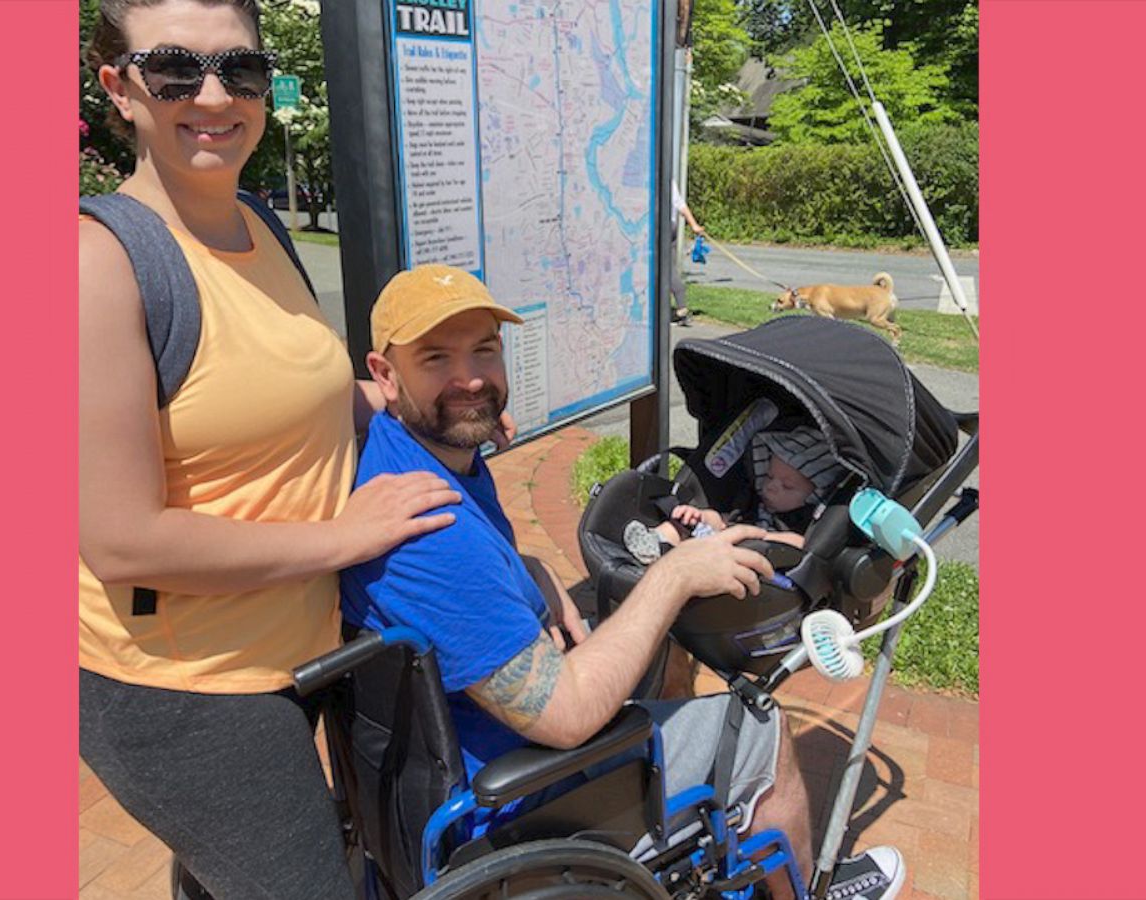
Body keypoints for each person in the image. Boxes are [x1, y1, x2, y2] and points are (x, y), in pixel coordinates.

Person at [77, 2, 486, 896]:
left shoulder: (257, 222)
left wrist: (430, 405)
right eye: (176, 70)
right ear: (119, 88)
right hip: (184, 687)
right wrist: (346, 538)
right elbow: (120, 537)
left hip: (291, 649)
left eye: (241, 71)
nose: (214, 95)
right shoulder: (99, 265)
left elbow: (302, 390)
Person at [340, 265, 905, 900]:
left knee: (646, 650)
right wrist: (675, 574)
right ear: (384, 376)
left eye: (484, 351)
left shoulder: (403, 454)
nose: (470, 379)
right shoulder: (435, 533)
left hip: (438, 769)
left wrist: (526, 568)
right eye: (435, 358)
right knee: (760, 727)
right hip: (515, 799)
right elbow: (568, 717)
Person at [622, 425, 845, 564]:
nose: (771, 487)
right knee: (685, 523)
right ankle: (654, 543)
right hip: (720, 543)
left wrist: (759, 538)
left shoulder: (805, 522)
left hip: (749, 562)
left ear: (814, 494)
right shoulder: (754, 500)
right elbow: (724, 520)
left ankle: (670, 555)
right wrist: (700, 516)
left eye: (787, 486)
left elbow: (801, 544)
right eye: (768, 476)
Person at [669, 179, 706, 325]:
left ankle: (681, 309)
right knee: (667, 268)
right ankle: (678, 307)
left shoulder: (648, 176)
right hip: (671, 225)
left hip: (658, 225)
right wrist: (694, 225)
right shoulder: (668, 179)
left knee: (665, 269)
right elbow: (680, 204)